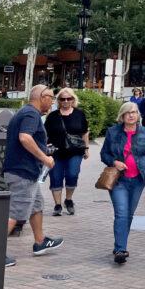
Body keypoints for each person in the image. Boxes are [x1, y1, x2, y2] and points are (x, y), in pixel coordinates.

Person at [1, 84, 64, 266]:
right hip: (22, 173)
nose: (52, 102)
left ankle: (40, 241)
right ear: (42, 97)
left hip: (25, 172)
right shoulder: (31, 114)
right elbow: (25, 137)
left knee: (36, 205)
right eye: (51, 98)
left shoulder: (25, 112)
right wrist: (45, 158)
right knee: (16, 213)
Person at [100, 102, 145, 264]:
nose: (132, 115)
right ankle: (120, 249)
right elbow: (104, 154)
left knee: (129, 214)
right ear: (122, 116)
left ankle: (120, 242)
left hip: (138, 180)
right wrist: (114, 162)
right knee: (122, 213)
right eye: (128, 113)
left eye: (134, 112)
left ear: (138, 115)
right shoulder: (113, 132)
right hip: (119, 180)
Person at [44, 88, 90, 216]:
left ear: (73, 100)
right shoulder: (52, 116)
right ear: (58, 101)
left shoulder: (79, 114)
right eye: (62, 99)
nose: (65, 101)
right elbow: (45, 134)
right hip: (56, 152)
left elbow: (85, 132)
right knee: (56, 177)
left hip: (75, 151)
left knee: (72, 174)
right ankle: (57, 205)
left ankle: (68, 200)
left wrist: (86, 148)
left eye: (68, 98)